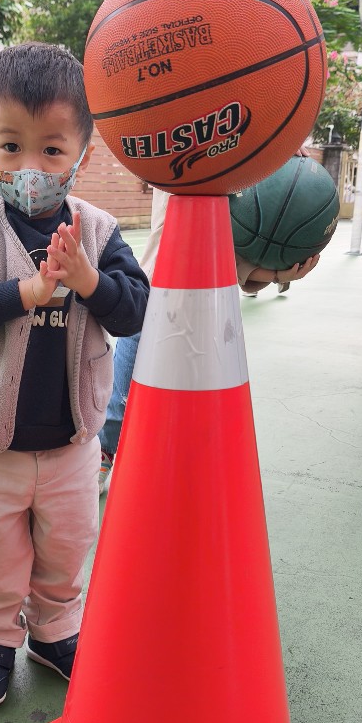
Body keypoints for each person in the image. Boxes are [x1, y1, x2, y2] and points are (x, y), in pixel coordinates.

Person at [0, 42, 150, 707]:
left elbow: (136, 309)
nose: (30, 168)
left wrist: (89, 281)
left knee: (67, 544)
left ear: (83, 154)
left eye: (51, 150)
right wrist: (23, 293)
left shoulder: (98, 231)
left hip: (71, 440)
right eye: (10, 147)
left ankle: (54, 630)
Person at [97, 183, 320, 493]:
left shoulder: (244, 184)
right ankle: (104, 452)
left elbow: (235, 258)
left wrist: (278, 273)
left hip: (209, 297)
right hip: (159, 289)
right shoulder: (176, 173)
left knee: (199, 396)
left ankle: (182, 468)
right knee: (125, 388)